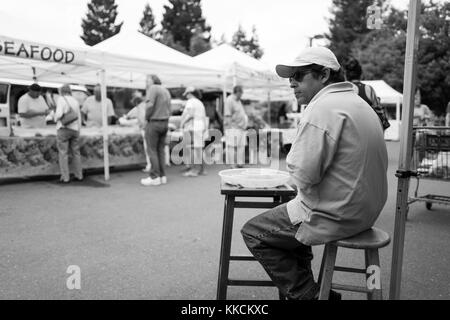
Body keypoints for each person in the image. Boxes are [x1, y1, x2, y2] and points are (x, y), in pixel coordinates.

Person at [240, 47, 388, 300]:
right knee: (290, 217)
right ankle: (317, 291)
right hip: (367, 210)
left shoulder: (322, 108)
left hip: (338, 213)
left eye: (299, 75)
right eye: (291, 77)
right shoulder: (358, 103)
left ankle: (310, 296)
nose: (292, 83)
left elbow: (303, 175)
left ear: (323, 75)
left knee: (254, 232)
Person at [140, 75, 172, 187]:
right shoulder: (166, 91)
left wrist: (146, 118)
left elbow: (149, 105)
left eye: (147, 80)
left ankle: (155, 176)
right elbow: (170, 108)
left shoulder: (153, 88)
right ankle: (162, 176)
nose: (146, 83)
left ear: (153, 81)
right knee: (160, 150)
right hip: (165, 122)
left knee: (152, 150)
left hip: (154, 122)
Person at [344, 57, 390, 131]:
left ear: (345, 74)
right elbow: (382, 117)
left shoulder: (343, 90)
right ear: (361, 74)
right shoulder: (368, 89)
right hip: (367, 133)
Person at [54, 84, 83, 183]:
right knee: (76, 153)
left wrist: (54, 118)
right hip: (75, 129)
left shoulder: (61, 99)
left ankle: (65, 177)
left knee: (63, 153)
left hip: (64, 128)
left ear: (61, 91)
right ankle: (79, 175)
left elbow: (59, 114)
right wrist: (79, 129)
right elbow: (79, 116)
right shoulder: (75, 101)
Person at [180, 87, 208, 177]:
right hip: (201, 126)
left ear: (190, 93)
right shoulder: (200, 102)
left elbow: (190, 114)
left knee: (193, 149)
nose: (186, 96)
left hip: (193, 127)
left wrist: (183, 123)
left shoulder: (190, 102)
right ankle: (202, 170)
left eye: (187, 94)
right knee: (199, 149)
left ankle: (194, 170)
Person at [122, 96, 151, 173]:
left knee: (148, 148)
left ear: (136, 103)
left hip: (146, 129)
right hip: (151, 128)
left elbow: (129, 116)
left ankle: (150, 166)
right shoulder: (146, 105)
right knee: (153, 148)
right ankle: (156, 166)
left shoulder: (139, 107)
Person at [224, 86, 248, 168]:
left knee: (241, 146)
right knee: (232, 146)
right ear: (237, 92)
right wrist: (230, 128)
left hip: (241, 128)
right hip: (234, 128)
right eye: (241, 93)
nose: (241, 95)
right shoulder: (230, 100)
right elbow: (227, 115)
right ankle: (232, 164)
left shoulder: (238, 101)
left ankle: (239, 163)